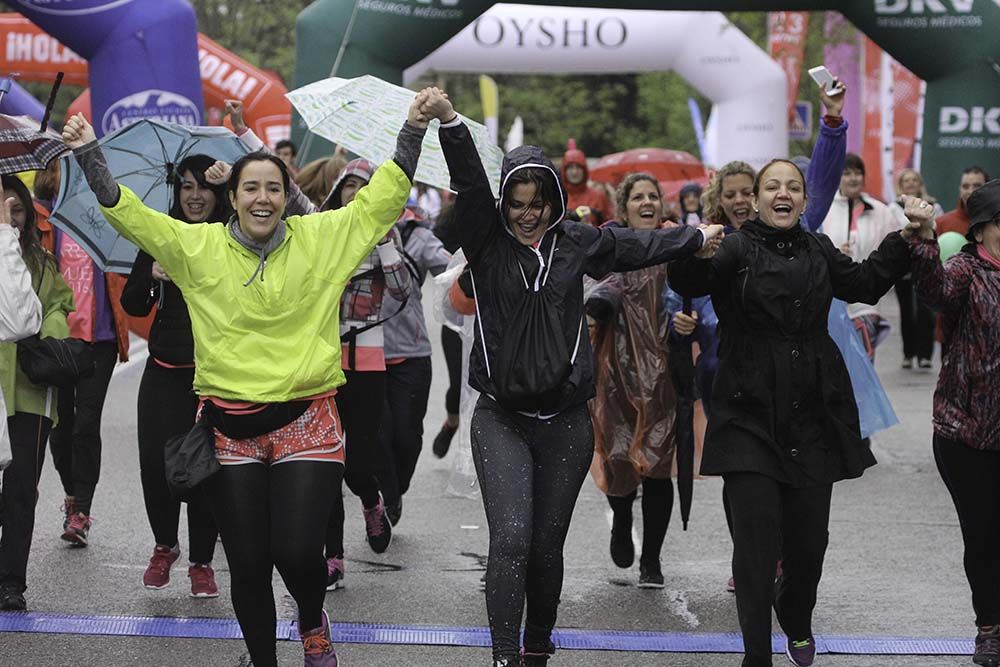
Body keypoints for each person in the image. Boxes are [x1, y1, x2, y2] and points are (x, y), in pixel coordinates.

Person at [62, 87, 435, 666]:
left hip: (306, 419)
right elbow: (126, 211)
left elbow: (381, 202)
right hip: (228, 429)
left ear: (287, 197)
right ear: (231, 198)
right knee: (249, 562)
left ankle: (312, 622)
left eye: (273, 188)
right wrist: (90, 153)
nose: (262, 197)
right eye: (250, 188)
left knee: (294, 550)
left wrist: (411, 129)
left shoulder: (321, 239)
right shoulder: (196, 245)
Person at [430, 87, 722, 666]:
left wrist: (692, 237)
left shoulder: (574, 243)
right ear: (503, 203)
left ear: (556, 200)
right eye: (516, 201)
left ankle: (538, 642)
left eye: (539, 201)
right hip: (501, 418)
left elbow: (633, 244)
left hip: (565, 420)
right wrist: (450, 121)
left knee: (544, 549)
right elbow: (467, 180)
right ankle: (503, 656)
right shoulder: (485, 241)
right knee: (510, 541)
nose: (528, 212)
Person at [668, 159, 931, 667]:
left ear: (804, 200)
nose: (781, 193)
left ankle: (795, 609)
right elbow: (692, 279)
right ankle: (755, 654)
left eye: (792, 186)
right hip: (748, 407)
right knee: (755, 541)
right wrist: (695, 244)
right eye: (772, 186)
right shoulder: (735, 246)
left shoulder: (818, 247)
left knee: (808, 548)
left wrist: (905, 234)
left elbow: (865, 283)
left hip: (813, 407)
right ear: (758, 199)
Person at [120, 155, 225, 598]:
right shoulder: (160, 235)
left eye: (203, 187)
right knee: (155, 465)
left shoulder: (228, 237)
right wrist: (150, 272)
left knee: (205, 469)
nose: (195, 196)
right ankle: (165, 546)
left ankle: (202, 561)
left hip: (215, 376)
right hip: (164, 372)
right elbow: (134, 305)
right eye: (185, 187)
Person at [910, 179, 1000, 667]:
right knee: (984, 534)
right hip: (966, 432)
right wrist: (925, 239)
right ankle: (989, 627)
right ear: (982, 231)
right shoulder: (966, 269)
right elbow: (933, 293)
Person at [586, 173, 689, 589]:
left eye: (653, 195)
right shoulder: (611, 248)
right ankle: (622, 518)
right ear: (624, 208)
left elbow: (699, 295)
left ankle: (652, 559)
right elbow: (599, 287)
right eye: (637, 197)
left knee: (659, 464)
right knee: (617, 455)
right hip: (614, 372)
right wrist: (598, 303)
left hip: (664, 373)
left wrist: (691, 321)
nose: (646, 202)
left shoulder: (681, 246)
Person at [40, 163, 131, 545]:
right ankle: (72, 495)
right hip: (57, 341)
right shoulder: (42, 219)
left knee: (85, 424)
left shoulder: (106, 215)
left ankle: (81, 512)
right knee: (59, 430)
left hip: (101, 339)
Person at [0, 174, 74, 611]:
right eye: (1, 206)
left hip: (29, 390)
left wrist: (49, 340)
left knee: (21, 489)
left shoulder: (40, 262)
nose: (9, 215)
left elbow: (58, 307)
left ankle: (11, 582)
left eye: (17, 208)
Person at [379, 203, 452, 525]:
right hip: (359, 355)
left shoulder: (418, 233)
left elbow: (450, 274)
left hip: (411, 351)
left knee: (407, 436)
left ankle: (397, 488)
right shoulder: (349, 227)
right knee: (376, 434)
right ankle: (387, 495)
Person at [819, 153, 900, 361]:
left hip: (866, 301)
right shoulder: (825, 209)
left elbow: (893, 249)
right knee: (835, 362)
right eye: (847, 173)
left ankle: (861, 394)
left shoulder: (880, 211)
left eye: (857, 173)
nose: (853, 178)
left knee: (863, 360)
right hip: (830, 299)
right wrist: (836, 253)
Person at [888, 169, 942, 369]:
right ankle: (908, 354)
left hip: (925, 265)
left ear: (920, 184)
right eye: (906, 180)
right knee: (907, 311)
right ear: (901, 185)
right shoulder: (893, 208)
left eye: (914, 180)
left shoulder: (933, 206)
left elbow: (938, 229)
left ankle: (925, 355)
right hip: (903, 267)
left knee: (925, 310)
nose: (910, 183)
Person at [430, 201, 463, 458]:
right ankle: (452, 422)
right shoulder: (448, 221)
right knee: (457, 384)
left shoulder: (501, 218)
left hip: (493, 316)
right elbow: (434, 261)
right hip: (457, 315)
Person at [561, 138, 612, 225]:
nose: (574, 172)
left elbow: (609, 224)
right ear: (564, 171)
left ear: (584, 170)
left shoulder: (598, 196)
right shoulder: (559, 196)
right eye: (570, 167)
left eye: (578, 167)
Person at [936, 166, 989, 237]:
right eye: (965, 186)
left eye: (977, 186)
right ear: (960, 190)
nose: (970, 191)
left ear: (988, 188)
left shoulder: (996, 223)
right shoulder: (941, 224)